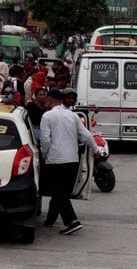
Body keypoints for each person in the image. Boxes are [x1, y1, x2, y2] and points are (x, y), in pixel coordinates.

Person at [39, 89, 100, 235]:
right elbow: (86, 134)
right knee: (61, 190)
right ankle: (50, 219)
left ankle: (72, 221)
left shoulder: (47, 116)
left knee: (58, 191)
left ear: (51, 100)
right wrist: (96, 149)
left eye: (47, 99)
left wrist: (44, 155)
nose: (45, 102)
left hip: (55, 159)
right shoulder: (73, 115)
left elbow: (45, 140)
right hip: (72, 159)